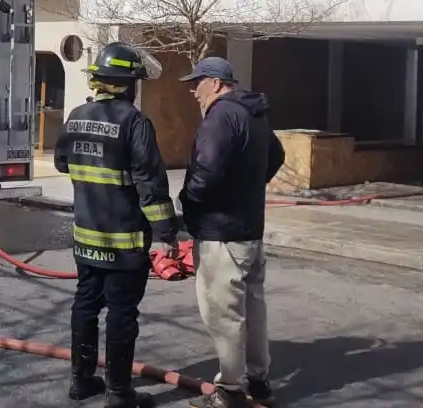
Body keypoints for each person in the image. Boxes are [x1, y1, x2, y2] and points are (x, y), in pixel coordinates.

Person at [54, 41, 179, 408]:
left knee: (86, 304)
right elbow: (151, 185)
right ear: (128, 84)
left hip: (84, 237)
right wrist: (167, 234)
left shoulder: (76, 115)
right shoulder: (135, 123)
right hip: (123, 243)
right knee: (122, 313)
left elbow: (63, 163)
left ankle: (80, 381)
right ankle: (119, 393)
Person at [178, 57, 284, 408]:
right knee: (253, 308)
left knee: (224, 315)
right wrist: (248, 189)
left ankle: (231, 391)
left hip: (221, 234)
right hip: (250, 230)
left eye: (199, 83)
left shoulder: (221, 117)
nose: (194, 92)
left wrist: (189, 205)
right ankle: (259, 379)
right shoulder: (253, 115)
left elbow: (204, 175)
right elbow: (277, 155)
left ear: (217, 83)